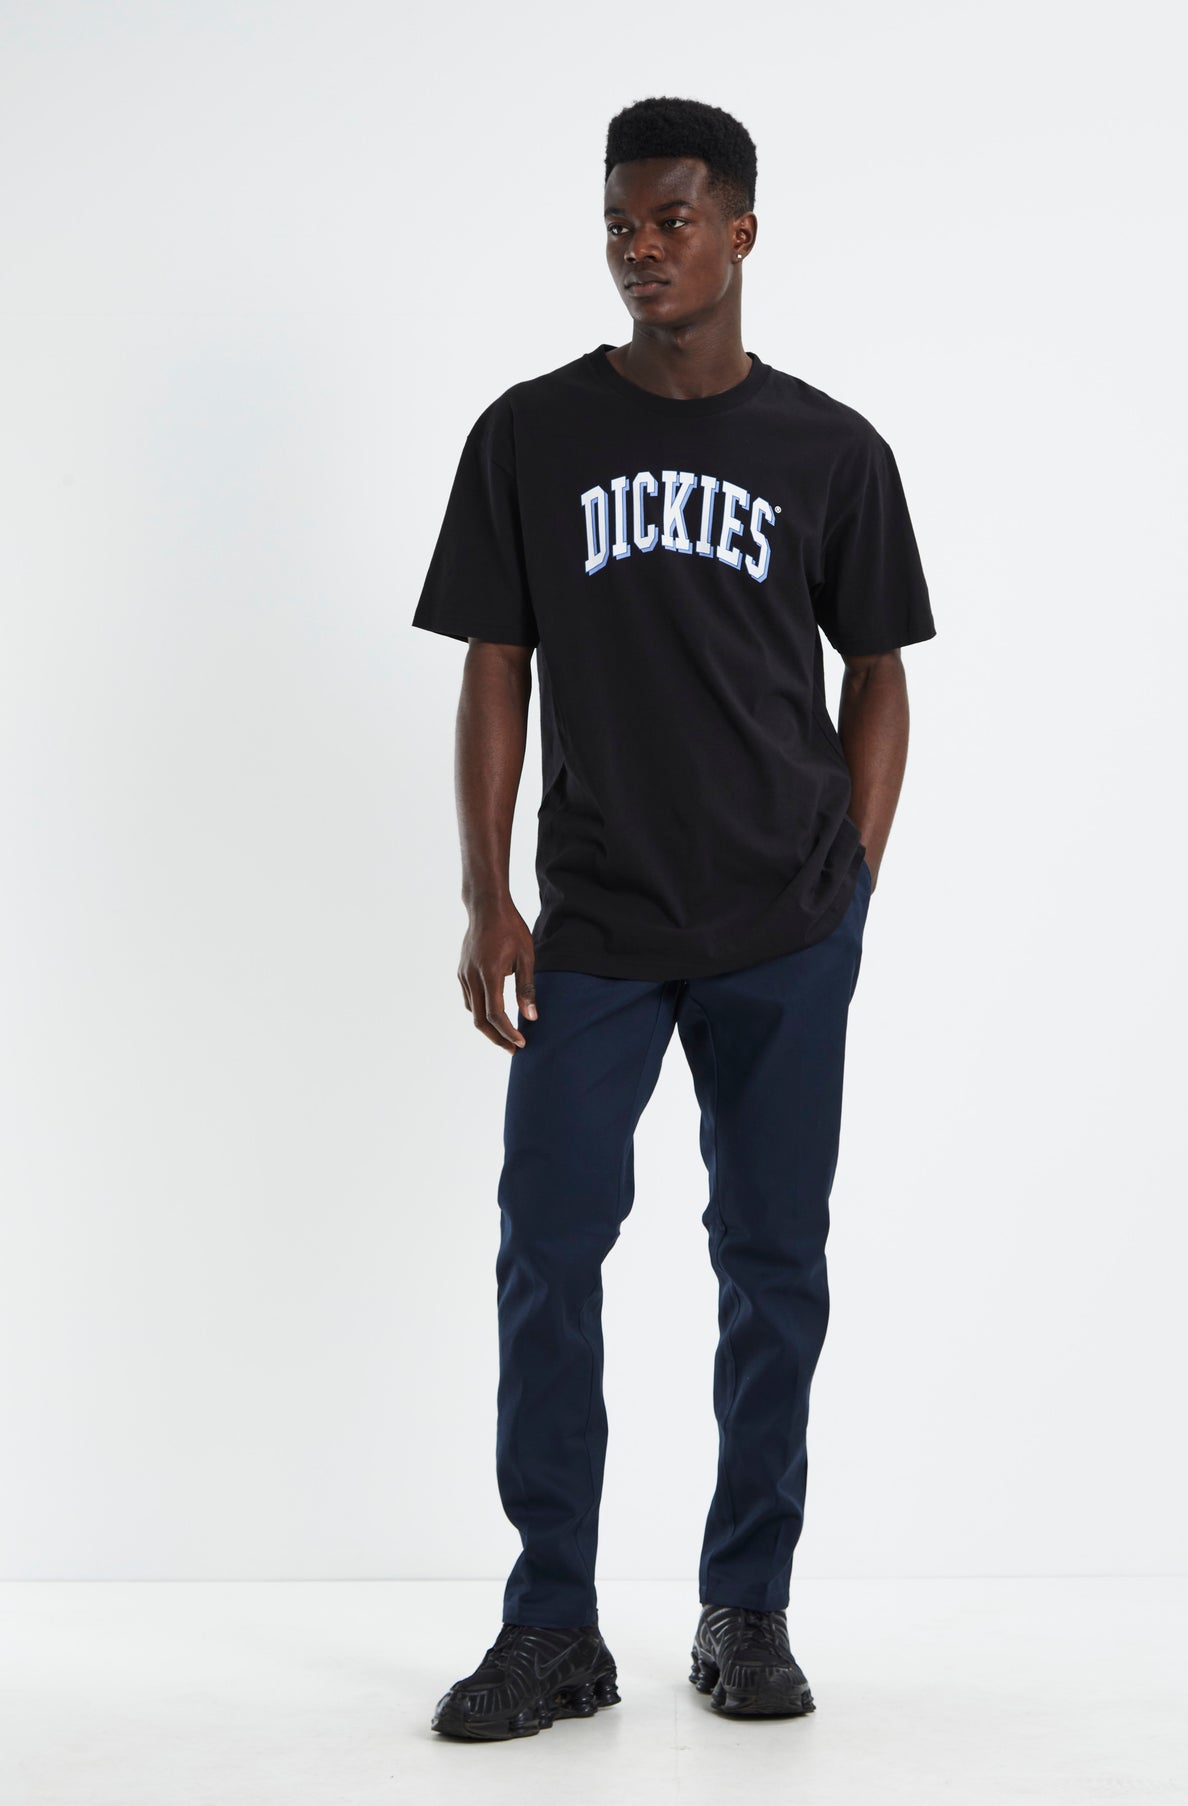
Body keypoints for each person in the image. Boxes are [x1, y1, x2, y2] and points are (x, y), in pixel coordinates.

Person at [411, 94, 936, 1742]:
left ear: (741, 232)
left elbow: (878, 673)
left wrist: (848, 885)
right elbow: (495, 661)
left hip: (784, 922)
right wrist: (487, 891)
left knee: (772, 1263)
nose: (642, 249)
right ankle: (551, 1623)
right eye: (621, 225)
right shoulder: (529, 433)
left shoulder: (830, 450)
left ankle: (745, 1604)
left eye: (673, 219)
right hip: (596, 923)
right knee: (546, 1249)